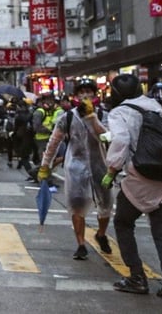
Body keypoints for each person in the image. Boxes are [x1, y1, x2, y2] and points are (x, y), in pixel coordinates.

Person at [101, 74, 162, 300]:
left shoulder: (119, 113)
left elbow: (120, 142)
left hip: (139, 179)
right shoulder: (155, 106)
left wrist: (111, 171)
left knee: (123, 223)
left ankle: (137, 277)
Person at [37, 79, 113, 260]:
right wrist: (45, 165)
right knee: (77, 206)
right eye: (81, 92)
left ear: (95, 95)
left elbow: (109, 137)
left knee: (106, 206)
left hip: (101, 166)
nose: (85, 95)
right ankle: (81, 244)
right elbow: (54, 142)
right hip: (75, 168)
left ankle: (101, 234)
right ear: (76, 95)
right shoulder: (67, 117)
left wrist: (92, 118)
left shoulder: (104, 115)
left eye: (89, 92)